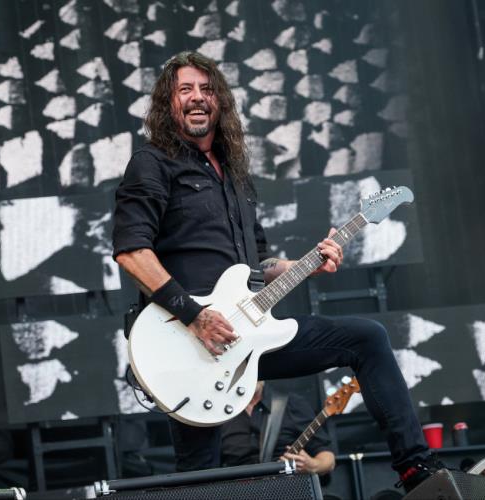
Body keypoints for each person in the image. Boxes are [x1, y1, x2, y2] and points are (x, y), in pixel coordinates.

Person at [112, 51, 443, 493]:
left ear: (219, 100)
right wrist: (196, 316)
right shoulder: (152, 162)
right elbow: (132, 252)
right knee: (200, 474)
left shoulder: (235, 176)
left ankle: (417, 471)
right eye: (185, 89)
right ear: (168, 103)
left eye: (206, 89)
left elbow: (259, 265)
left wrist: (303, 265)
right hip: (188, 343)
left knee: (367, 338)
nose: (197, 97)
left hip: (248, 337)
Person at [221, 381, 335, 476]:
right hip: (236, 489)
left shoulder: (292, 404)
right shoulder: (219, 415)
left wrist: (313, 466)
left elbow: (328, 459)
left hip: (288, 489)